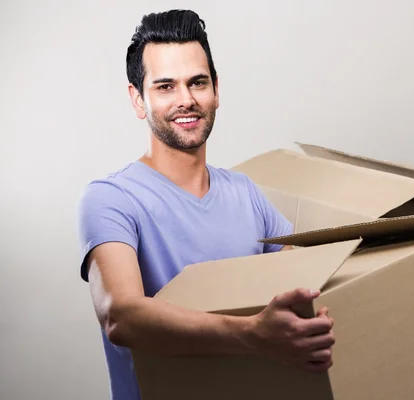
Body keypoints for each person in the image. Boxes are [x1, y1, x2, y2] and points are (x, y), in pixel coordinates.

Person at [76, 9, 335, 400]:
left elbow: (306, 280)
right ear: (138, 99)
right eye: (165, 87)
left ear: (216, 90)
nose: (186, 100)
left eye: (197, 82)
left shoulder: (245, 192)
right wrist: (252, 335)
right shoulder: (111, 199)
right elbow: (121, 316)